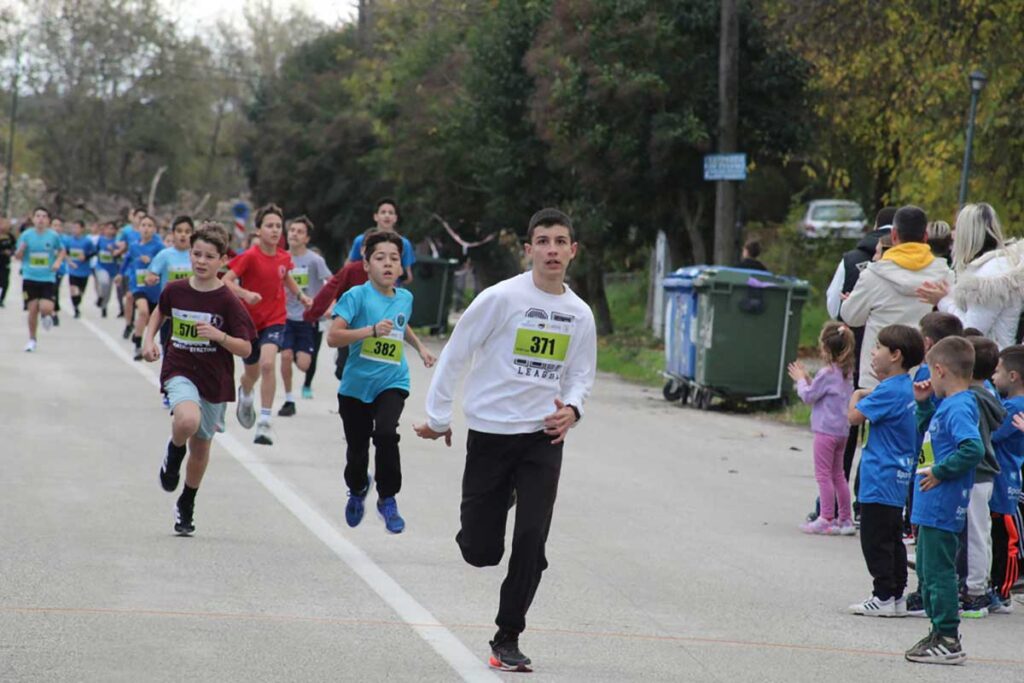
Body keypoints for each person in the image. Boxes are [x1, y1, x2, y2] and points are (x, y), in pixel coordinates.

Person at [414, 208, 597, 673]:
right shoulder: (501, 299)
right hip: (492, 434)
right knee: (481, 551)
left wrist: (572, 410)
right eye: (543, 241)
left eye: (560, 241)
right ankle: (501, 502)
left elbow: (580, 375)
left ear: (572, 251)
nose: (552, 250)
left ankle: (507, 636)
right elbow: (456, 354)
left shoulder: (579, 314)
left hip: (542, 437)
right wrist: (438, 416)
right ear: (529, 249)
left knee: (532, 539)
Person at [141, 224, 257, 536]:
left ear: (222, 261)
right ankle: (174, 451)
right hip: (179, 367)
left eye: (209, 256)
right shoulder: (176, 290)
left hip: (214, 378)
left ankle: (187, 502)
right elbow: (159, 313)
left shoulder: (228, 301)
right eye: (196, 254)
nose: (201, 261)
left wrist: (219, 336)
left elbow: (245, 347)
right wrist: (148, 340)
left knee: (202, 446)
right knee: (187, 421)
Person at [327, 231, 436, 534]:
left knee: (387, 434)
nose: (388, 264)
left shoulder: (406, 297)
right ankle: (359, 488)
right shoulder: (356, 297)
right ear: (366, 265)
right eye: (380, 258)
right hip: (356, 386)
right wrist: (369, 331)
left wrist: (421, 348)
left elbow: (402, 325)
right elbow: (333, 337)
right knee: (357, 448)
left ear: (402, 268)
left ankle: (388, 498)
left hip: (392, 380)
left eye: (394, 259)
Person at [905, 336, 983, 665]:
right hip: (929, 504)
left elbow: (972, 448)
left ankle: (948, 637)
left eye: (929, 373)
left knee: (938, 572)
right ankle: (938, 631)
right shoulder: (946, 405)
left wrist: (940, 470)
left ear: (939, 370)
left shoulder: (960, 406)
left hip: (941, 503)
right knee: (927, 569)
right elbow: (931, 438)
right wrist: (923, 404)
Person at [846, 324, 924, 616]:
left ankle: (881, 595)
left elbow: (854, 417)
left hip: (879, 475)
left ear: (895, 355)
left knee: (874, 538)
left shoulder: (888, 390)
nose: (873, 353)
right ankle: (896, 595)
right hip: (899, 476)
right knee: (893, 538)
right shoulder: (906, 387)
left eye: (878, 347)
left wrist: (856, 394)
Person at [222, 204, 312, 446]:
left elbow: (286, 277)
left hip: (275, 319)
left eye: (277, 226)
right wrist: (246, 293)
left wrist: (301, 296)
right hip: (249, 322)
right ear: (259, 230)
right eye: (269, 226)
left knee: (268, 364)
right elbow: (226, 281)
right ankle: (246, 393)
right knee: (251, 373)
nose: (274, 231)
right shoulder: (250, 256)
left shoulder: (284, 256)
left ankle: (264, 422)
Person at [840, 205, 954, 391]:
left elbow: (851, 317)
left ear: (893, 236)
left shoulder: (873, 274)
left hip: (878, 374)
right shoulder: (945, 275)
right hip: (924, 376)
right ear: (925, 237)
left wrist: (850, 300)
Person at [917, 203, 1024, 349]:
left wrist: (943, 301)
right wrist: (949, 294)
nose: (953, 235)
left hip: (989, 362)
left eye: (956, 229)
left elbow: (971, 330)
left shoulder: (990, 276)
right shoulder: (992, 267)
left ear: (966, 234)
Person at [788, 321, 856, 534]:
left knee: (823, 475)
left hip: (825, 431)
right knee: (839, 475)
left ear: (825, 347)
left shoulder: (827, 372)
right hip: (842, 431)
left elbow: (809, 396)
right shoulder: (846, 372)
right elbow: (822, 392)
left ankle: (826, 516)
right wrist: (809, 378)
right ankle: (845, 519)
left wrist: (800, 380)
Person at [959, 336, 1004, 618]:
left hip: (977, 473)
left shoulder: (972, 400)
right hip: (981, 475)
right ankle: (977, 584)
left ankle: (976, 592)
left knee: (976, 533)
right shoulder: (986, 395)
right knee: (978, 533)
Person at [278, 216, 331, 417]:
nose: (294, 234)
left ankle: (294, 354)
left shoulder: (315, 260)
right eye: (292, 230)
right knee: (285, 355)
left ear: (307, 238)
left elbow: (332, 284)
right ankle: (289, 400)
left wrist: (328, 306)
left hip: (308, 319)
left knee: (304, 364)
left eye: (300, 231)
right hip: (285, 318)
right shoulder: (281, 257)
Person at [306, 229, 374, 382]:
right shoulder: (352, 269)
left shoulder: (388, 274)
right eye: (369, 247)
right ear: (362, 250)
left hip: (376, 329)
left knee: (368, 370)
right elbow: (332, 289)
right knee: (342, 371)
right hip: (350, 325)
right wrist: (313, 313)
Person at [988, 345, 1024, 614]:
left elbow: (992, 434)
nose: (993, 376)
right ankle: (996, 586)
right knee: (996, 535)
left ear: (1013, 376)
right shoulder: (1009, 404)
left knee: (1004, 539)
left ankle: (1002, 591)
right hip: (1000, 478)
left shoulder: (1013, 407)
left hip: (1005, 480)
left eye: (997, 371)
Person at [14, 207, 66, 351]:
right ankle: (32, 339)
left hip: (47, 277)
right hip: (30, 277)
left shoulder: (53, 236)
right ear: (33, 219)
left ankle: (46, 315)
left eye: (44, 216)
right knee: (32, 310)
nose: (41, 219)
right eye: (38, 216)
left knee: (46, 307)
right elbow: (17, 257)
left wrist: (57, 262)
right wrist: (21, 250)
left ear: (48, 220)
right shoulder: (26, 235)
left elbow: (62, 251)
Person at [120, 214, 165, 360]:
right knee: (143, 312)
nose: (146, 228)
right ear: (139, 228)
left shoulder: (159, 247)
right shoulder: (133, 246)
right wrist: (120, 274)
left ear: (155, 229)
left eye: (150, 225)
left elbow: (164, 264)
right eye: (143, 225)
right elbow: (127, 261)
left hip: (155, 290)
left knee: (151, 320)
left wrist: (151, 261)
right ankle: (138, 345)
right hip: (138, 286)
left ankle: (138, 335)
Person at [346, 198, 416, 284]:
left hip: (390, 292)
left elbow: (408, 277)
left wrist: (398, 272)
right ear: (375, 216)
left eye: (390, 213)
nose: (387, 215)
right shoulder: (361, 240)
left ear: (395, 218)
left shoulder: (404, 243)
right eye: (383, 212)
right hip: (364, 291)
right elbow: (347, 269)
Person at [62, 220, 96, 319]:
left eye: (77, 227)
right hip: (73, 270)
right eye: (73, 227)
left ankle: (77, 302)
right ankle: (76, 308)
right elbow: (65, 252)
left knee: (80, 292)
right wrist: (68, 260)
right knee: (73, 289)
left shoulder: (87, 241)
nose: (75, 230)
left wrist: (85, 257)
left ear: (82, 229)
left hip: (84, 271)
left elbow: (94, 252)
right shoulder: (69, 240)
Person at [93, 221, 120, 318]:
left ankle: (104, 307)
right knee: (104, 282)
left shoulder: (117, 242)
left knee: (109, 290)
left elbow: (120, 255)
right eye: (108, 228)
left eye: (112, 229)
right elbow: (94, 251)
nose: (110, 231)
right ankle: (100, 296)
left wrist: (113, 251)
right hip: (101, 267)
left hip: (113, 269)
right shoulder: (100, 240)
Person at [0, 217, 16, 307]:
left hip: (5, 262)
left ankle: (2, 299)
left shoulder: (10, 237)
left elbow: (14, 247)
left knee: (5, 281)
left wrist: (11, 252)